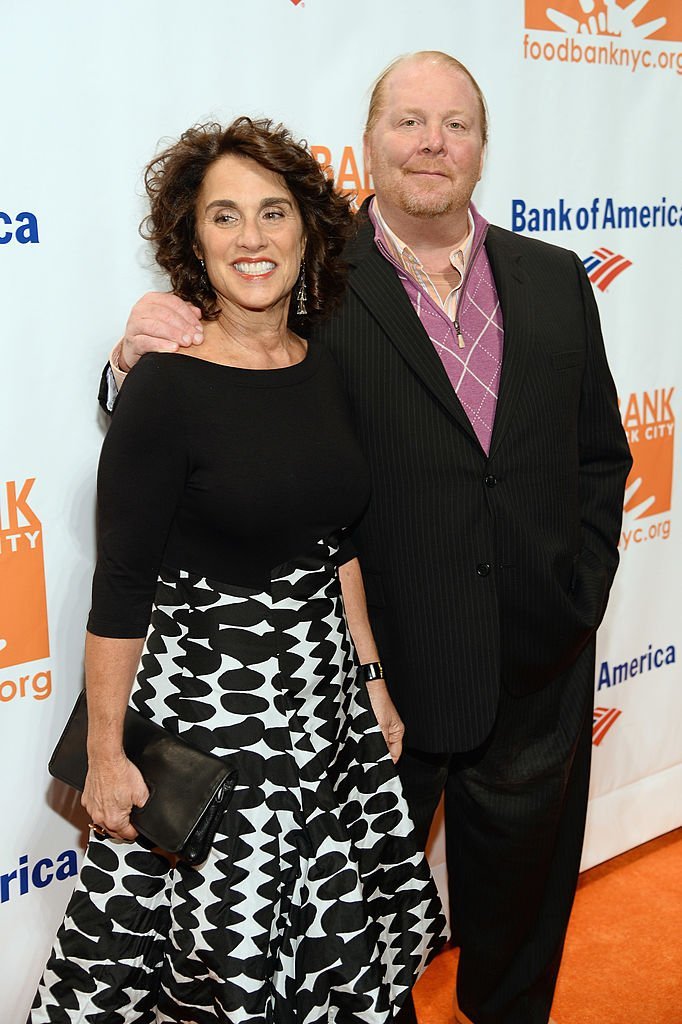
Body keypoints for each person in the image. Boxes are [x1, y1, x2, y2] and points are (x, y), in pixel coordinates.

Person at [100, 52, 632, 1024]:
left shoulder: (556, 279)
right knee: (353, 946)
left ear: (481, 145)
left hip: (533, 663)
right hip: (366, 687)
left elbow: (599, 455)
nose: (432, 143)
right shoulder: (305, 272)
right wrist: (130, 355)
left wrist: (576, 590)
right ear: (370, 142)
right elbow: (206, 391)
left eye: (455, 124)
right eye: (409, 121)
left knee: (521, 930)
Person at [30, 117, 446, 1024]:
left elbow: (337, 541)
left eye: (273, 213)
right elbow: (123, 584)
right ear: (194, 240)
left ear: (307, 231)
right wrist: (105, 755)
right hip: (210, 724)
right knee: (224, 952)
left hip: (323, 710)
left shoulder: (322, 366)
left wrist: (370, 677)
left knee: (333, 950)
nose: (252, 238)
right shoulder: (166, 388)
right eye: (225, 217)